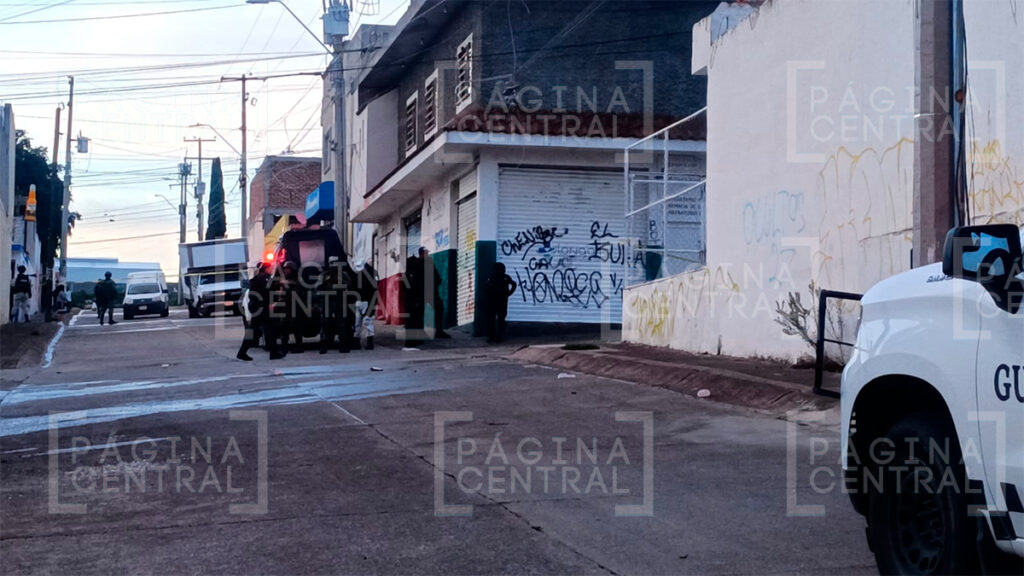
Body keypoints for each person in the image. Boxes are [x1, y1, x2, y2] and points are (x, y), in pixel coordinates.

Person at [237, 262, 284, 361]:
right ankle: (273, 353)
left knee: (259, 330)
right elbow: (268, 292)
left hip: (257, 307)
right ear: (266, 269)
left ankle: (243, 352)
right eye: (270, 268)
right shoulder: (265, 278)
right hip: (262, 308)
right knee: (270, 329)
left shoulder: (256, 278)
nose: (271, 270)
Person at [418, 247, 450, 339]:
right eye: (426, 253)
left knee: (422, 311)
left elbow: (437, 277)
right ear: (422, 253)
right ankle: (438, 331)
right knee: (437, 308)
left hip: (424, 292)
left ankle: (431, 331)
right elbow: (437, 278)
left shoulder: (424, 263)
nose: (427, 254)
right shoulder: (427, 263)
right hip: (428, 292)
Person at [485, 262, 517, 343]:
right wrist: (509, 293)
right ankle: (495, 337)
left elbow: (514, 284)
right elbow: (514, 284)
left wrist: (509, 293)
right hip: (498, 301)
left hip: (497, 301)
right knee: (497, 320)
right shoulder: (501, 277)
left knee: (495, 320)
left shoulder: (498, 277)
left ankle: (494, 337)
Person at [354, 260, 378, 350]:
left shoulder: (367, 275)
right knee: (363, 323)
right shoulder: (369, 275)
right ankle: (365, 342)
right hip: (362, 302)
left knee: (364, 322)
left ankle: (361, 342)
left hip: (364, 302)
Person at [403, 254, 424, 344]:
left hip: (410, 301)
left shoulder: (407, 275)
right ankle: (415, 339)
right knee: (417, 320)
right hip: (415, 301)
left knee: (410, 321)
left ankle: (411, 340)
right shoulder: (419, 274)